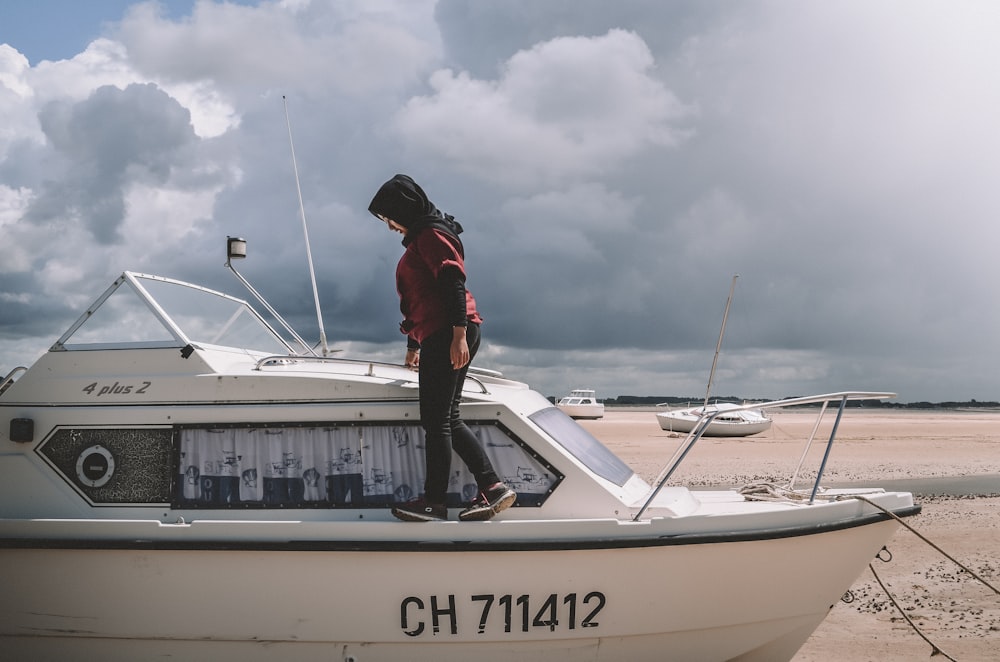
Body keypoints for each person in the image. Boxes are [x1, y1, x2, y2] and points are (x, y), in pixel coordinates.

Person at [368, 174, 516, 522]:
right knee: (445, 418)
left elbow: (452, 281)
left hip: (449, 331)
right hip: (439, 332)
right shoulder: (422, 236)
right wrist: (413, 344)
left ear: (400, 209)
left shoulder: (430, 235)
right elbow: (423, 296)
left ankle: (435, 502)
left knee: (437, 422)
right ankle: (491, 488)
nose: (389, 226)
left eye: (388, 218)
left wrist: (458, 335)